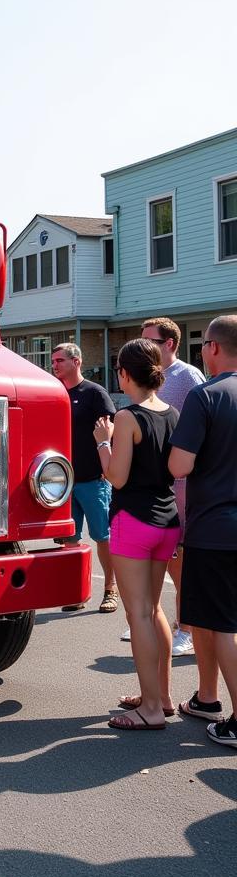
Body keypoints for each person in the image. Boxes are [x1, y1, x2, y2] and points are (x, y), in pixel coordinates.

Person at [94, 339, 180, 730]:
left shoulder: (128, 418)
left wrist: (103, 442)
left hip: (134, 522)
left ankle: (149, 710)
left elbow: (116, 477)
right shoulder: (172, 412)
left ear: (125, 374)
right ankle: (160, 697)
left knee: (138, 613)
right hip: (167, 520)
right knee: (156, 610)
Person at [169, 315, 237, 747]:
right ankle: (206, 699)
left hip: (214, 526)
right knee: (212, 620)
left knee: (224, 625)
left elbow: (179, 465)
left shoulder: (205, 395)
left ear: (212, 347)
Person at [127, 317, 205, 656]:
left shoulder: (188, 376)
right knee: (160, 561)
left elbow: (203, 425)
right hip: (154, 486)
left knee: (180, 561)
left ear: (170, 344)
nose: (145, 345)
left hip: (183, 484)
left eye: (151, 340)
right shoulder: (149, 378)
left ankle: (185, 628)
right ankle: (150, 621)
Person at [51, 342, 118, 612]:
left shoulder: (94, 393)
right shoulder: (55, 393)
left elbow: (109, 429)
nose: (54, 365)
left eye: (60, 361)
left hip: (93, 479)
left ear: (76, 362)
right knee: (70, 540)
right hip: (63, 483)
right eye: (53, 361)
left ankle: (110, 591)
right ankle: (77, 593)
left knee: (103, 536)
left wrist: (107, 461)